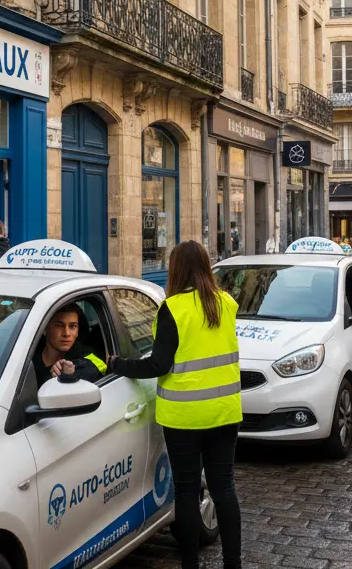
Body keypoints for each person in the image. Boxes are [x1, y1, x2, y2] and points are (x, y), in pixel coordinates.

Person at [108, 241, 242, 569]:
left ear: (176, 269)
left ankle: (190, 565)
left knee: (185, 490)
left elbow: (158, 366)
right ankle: (233, 563)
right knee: (223, 486)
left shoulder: (173, 309)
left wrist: (117, 364)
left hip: (184, 417)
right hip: (224, 412)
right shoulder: (226, 303)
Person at [32, 305, 106, 386]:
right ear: (45, 329)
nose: (66, 333)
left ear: (77, 332)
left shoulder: (88, 357)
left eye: (72, 326)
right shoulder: (28, 356)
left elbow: (99, 371)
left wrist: (69, 376)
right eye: (59, 325)